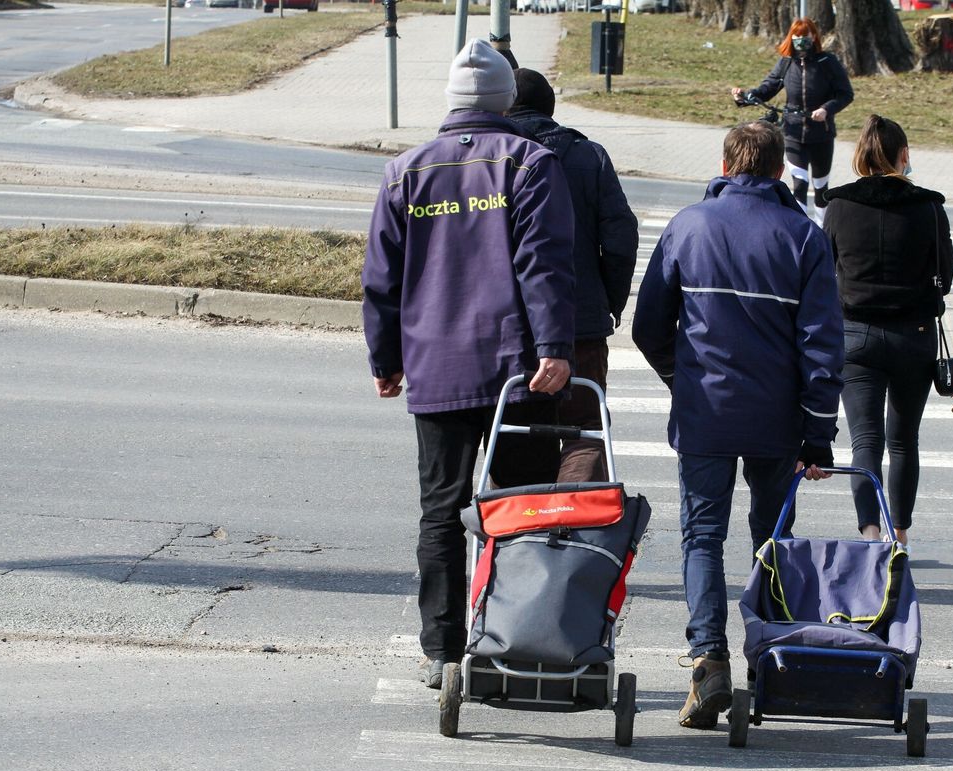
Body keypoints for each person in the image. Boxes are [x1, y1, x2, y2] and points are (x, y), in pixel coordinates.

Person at [360, 40, 576, 689]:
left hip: (438, 363)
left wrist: (386, 357)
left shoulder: (405, 172)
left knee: (441, 510)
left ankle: (443, 649)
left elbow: (381, 279)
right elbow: (544, 265)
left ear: (453, 101)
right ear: (505, 99)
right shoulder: (530, 163)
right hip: (518, 369)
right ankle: (517, 637)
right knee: (523, 510)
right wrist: (554, 349)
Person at [633, 120, 844, 730]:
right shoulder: (803, 237)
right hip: (778, 418)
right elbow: (822, 344)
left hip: (706, 413)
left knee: (703, 536)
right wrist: (818, 429)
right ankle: (771, 660)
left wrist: (683, 378)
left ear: (726, 166)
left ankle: (708, 661)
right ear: (781, 170)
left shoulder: (687, 226)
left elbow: (648, 325)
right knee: (771, 537)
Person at [820, 115, 953, 552]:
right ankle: (900, 534)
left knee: (865, 440)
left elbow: (822, 268)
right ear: (903, 156)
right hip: (915, 334)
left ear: (860, 156)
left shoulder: (839, 207)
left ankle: (871, 533)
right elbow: (944, 276)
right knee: (904, 440)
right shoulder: (928, 208)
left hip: (856, 335)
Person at [507, 68, 640, 483]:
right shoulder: (588, 155)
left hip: (510, 328)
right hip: (580, 325)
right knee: (584, 430)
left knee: (514, 434)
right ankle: (571, 530)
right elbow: (620, 239)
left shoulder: (493, 158)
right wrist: (610, 302)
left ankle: (518, 533)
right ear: (551, 109)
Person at [730, 17, 853, 217]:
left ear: (814, 36)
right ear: (791, 37)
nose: (801, 39)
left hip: (822, 134)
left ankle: (823, 231)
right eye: (797, 36)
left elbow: (845, 94)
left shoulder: (827, 62)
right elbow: (767, 88)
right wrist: (744, 96)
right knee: (799, 185)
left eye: (805, 35)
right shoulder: (786, 63)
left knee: (822, 187)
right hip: (793, 133)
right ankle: (801, 231)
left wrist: (826, 109)